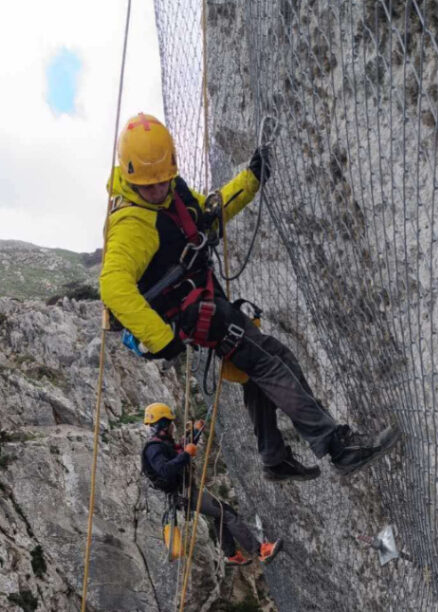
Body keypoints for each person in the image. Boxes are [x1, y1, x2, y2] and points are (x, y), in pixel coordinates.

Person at [101, 112, 398, 482]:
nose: (158, 189)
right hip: (195, 316)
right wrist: (161, 338)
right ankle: (338, 448)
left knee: (268, 361)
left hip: (206, 306)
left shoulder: (170, 192)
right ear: (130, 178)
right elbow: (113, 286)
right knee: (269, 362)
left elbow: (207, 216)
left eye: (163, 180)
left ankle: (274, 458)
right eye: (149, 186)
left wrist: (252, 179)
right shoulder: (132, 224)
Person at [141, 403, 281, 565]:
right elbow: (165, 469)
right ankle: (260, 551)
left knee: (220, 514)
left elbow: (180, 449)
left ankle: (231, 555)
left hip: (184, 492)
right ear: (163, 425)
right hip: (183, 494)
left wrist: (195, 433)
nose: (173, 426)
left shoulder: (162, 443)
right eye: (170, 423)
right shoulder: (154, 448)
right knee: (226, 512)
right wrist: (186, 455)